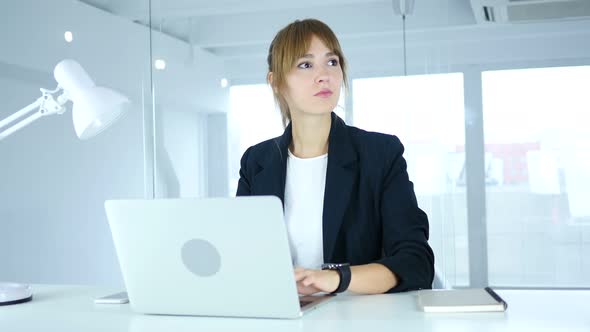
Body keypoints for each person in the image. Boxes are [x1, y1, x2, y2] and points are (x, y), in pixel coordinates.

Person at [236, 18, 434, 295]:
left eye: (332, 62)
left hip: (358, 319)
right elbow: (242, 257)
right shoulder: (256, 162)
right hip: (284, 316)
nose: (324, 75)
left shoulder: (380, 154)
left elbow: (416, 262)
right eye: (305, 65)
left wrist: (337, 278)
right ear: (276, 82)